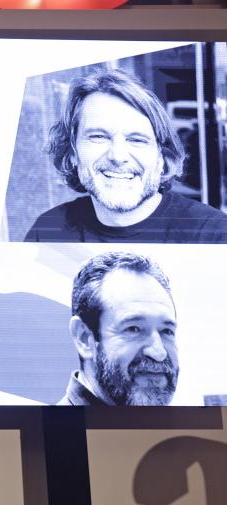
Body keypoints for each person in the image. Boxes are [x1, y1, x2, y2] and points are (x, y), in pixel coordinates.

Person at [24, 69, 227, 243]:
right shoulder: (48, 231)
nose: (118, 156)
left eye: (137, 140)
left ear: (162, 157)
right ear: (72, 153)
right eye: (98, 136)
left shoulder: (214, 235)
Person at [60, 251, 178, 406]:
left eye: (166, 331)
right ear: (84, 338)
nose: (159, 353)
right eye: (133, 329)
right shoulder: (48, 430)